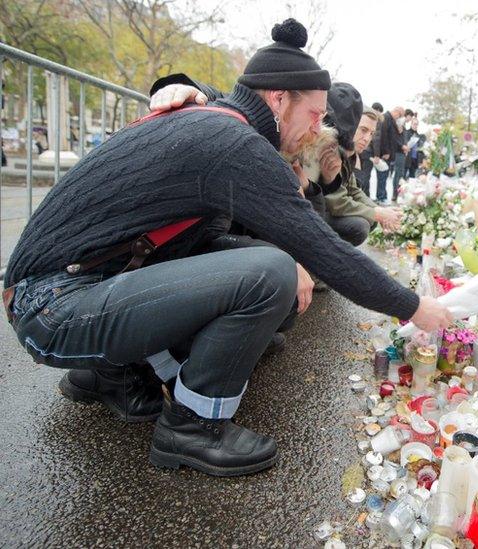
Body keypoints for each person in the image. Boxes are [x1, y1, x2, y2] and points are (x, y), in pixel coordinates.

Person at [1, 19, 452, 477]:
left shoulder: (216, 119)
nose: (319, 128)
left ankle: (108, 374)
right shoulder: (234, 143)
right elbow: (327, 251)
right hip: (54, 307)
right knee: (270, 272)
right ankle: (193, 425)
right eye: (315, 114)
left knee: (263, 262)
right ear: (278, 99)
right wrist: (415, 307)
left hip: (58, 289)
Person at [312, 83, 402, 246]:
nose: (367, 138)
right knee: (360, 226)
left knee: (370, 218)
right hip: (315, 212)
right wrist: (377, 213)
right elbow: (337, 201)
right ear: (350, 125)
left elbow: (353, 190)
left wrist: (379, 211)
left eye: (372, 133)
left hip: (325, 209)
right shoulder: (330, 149)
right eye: (363, 130)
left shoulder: (349, 153)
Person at [376, 105, 404, 203]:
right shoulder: (386, 118)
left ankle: (383, 196)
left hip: (390, 154)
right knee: (382, 176)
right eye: (399, 116)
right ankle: (381, 197)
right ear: (396, 112)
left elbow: (394, 137)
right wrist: (386, 151)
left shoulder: (392, 120)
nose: (399, 118)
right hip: (385, 154)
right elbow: (383, 136)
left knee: (384, 175)